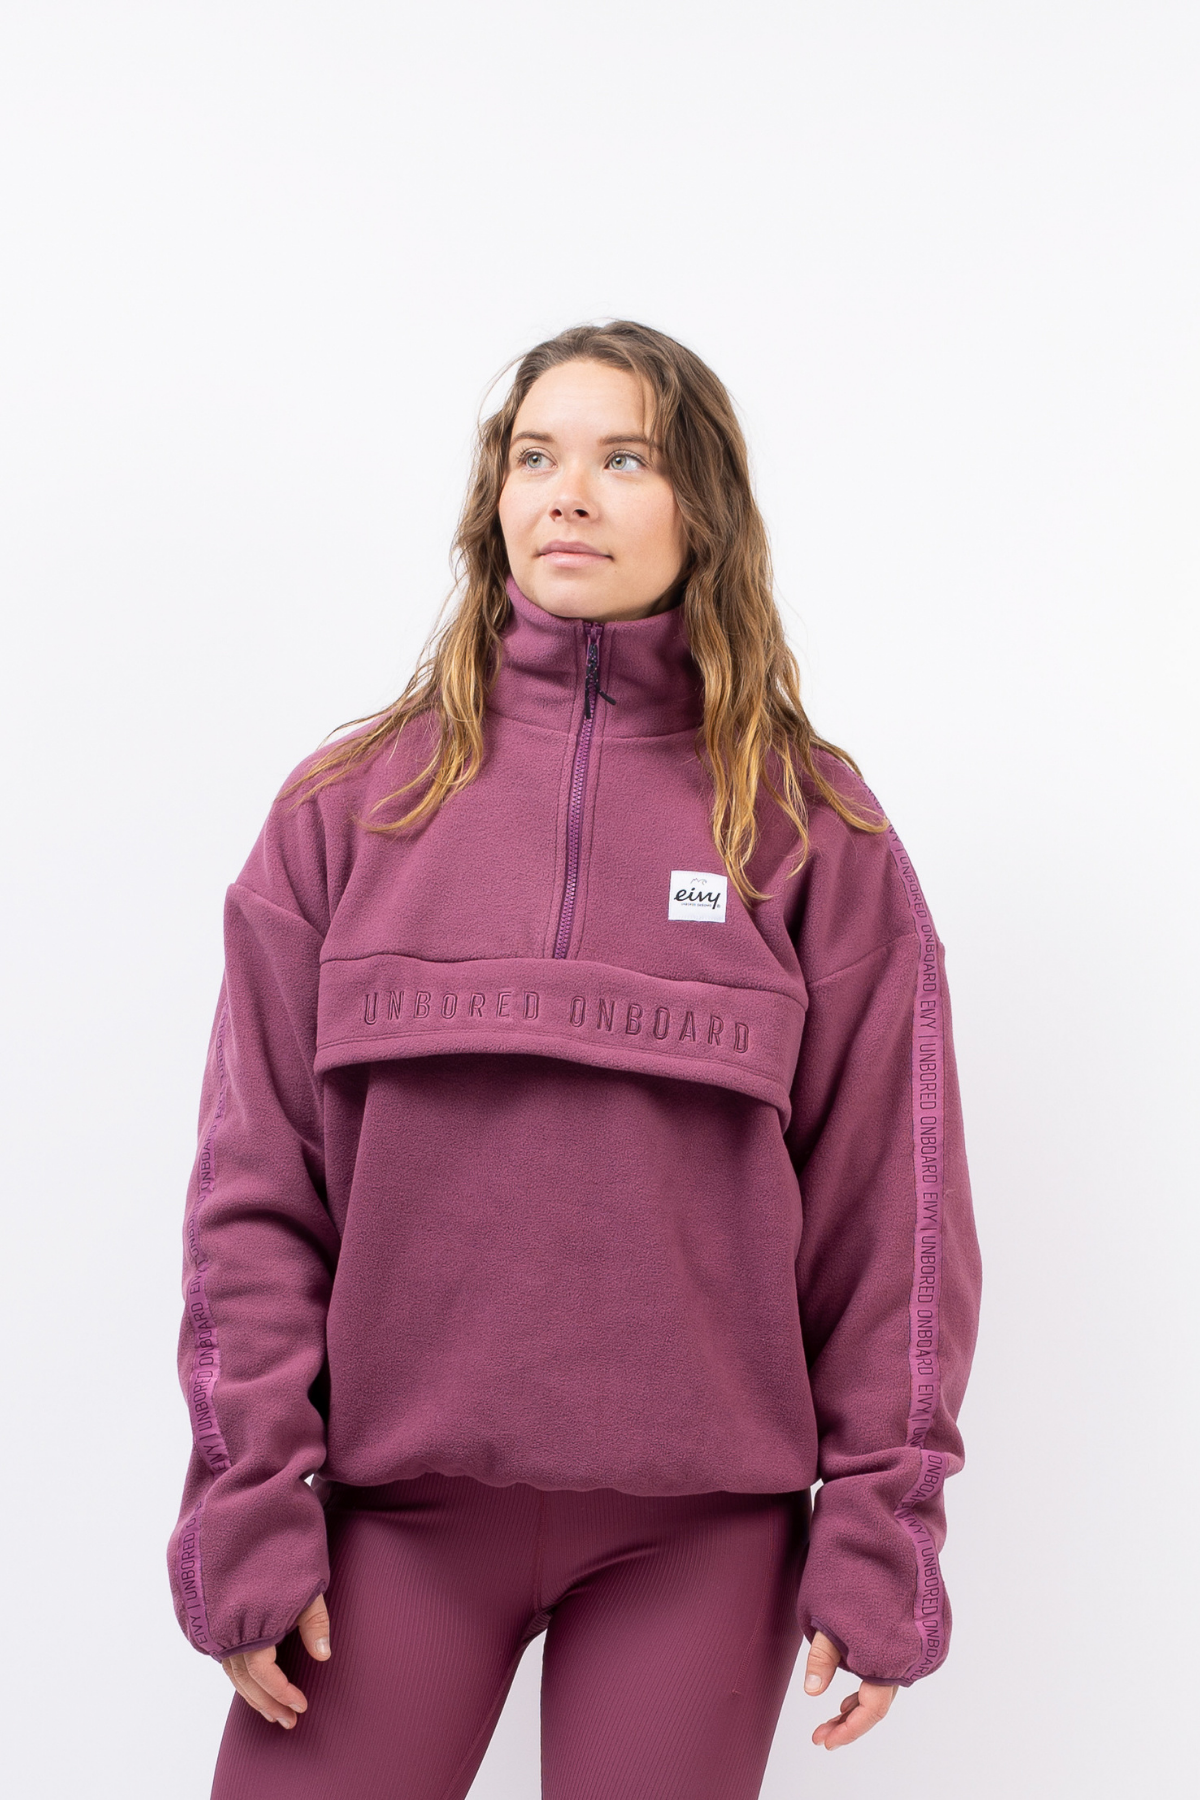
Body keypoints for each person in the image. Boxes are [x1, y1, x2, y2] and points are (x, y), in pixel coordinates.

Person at [167, 320, 982, 1800]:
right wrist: (248, 1504)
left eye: (626, 459)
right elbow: (252, 1193)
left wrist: (884, 1533)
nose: (571, 495)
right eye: (537, 455)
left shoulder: (813, 831)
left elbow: (898, 1223)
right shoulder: (349, 812)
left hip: (702, 1538)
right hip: (389, 1524)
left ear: (702, 509)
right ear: (496, 496)